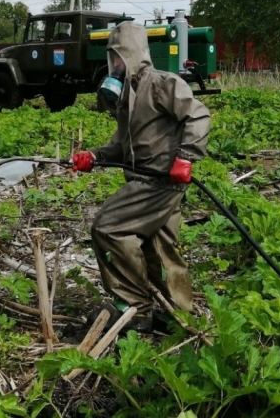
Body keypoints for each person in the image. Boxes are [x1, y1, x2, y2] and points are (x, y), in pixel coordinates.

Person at [71, 20, 211, 333]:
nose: (114, 65)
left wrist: (186, 158)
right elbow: (122, 144)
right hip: (146, 180)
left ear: (132, 54)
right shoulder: (125, 96)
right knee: (160, 247)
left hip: (158, 181)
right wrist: (95, 156)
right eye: (112, 59)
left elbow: (198, 116)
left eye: (118, 57)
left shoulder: (162, 84)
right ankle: (175, 313)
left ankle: (135, 306)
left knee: (107, 229)